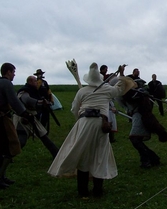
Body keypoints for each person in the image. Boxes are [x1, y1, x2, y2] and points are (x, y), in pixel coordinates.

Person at [48, 63, 137, 198]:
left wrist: (81, 119)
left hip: (85, 122)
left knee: (84, 155)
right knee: (99, 155)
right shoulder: (106, 89)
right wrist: (121, 74)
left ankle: (83, 192)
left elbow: (74, 109)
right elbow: (120, 89)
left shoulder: (82, 91)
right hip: (101, 123)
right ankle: (97, 191)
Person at [0, 63, 34, 189]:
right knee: (10, 147)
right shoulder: (6, 83)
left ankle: (0, 175)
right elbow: (14, 101)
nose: (14, 75)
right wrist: (25, 114)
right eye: (13, 72)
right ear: (8, 72)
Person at [121, 72, 167, 168]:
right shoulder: (130, 93)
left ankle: (147, 160)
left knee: (135, 139)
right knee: (136, 139)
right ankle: (153, 158)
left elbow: (136, 99)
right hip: (137, 116)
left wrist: (142, 94)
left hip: (141, 116)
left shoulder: (136, 93)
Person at [13, 75, 59, 158]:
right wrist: (39, 102)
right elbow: (27, 100)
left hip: (31, 117)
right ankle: (8, 156)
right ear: (30, 82)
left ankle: (56, 154)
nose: (36, 82)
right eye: (34, 81)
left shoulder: (34, 90)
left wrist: (43, 102)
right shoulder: (24, 91)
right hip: (22, 118)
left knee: (43, 136)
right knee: (21, 140)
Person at [100, 64, 117, 143]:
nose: (106, 70)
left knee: (111, 120)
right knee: (106, 119)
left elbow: (112, 79)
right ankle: (108, 137)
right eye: (105, 69)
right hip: (103, 100)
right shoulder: (100, 77)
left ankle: (111, 138)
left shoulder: (107, 78)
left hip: (108, 99)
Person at [34, 69, 53, 134]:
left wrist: (51, 100)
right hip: (38, 102)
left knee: (45, 117)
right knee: (37, 115)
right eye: (38, 74)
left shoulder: (45, 82)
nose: (40, 75)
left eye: (41, 74)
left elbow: (49, 91)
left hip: (46, 102)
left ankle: (44, 129)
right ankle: (36, 129)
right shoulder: (35, 82)